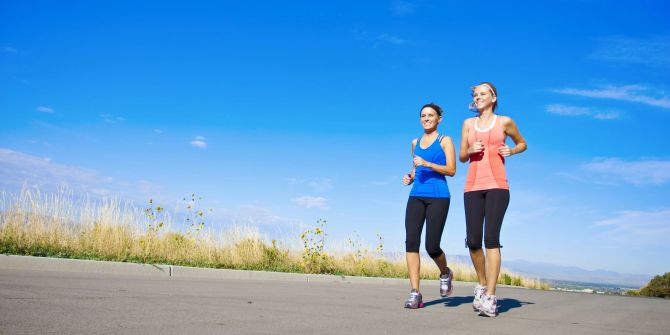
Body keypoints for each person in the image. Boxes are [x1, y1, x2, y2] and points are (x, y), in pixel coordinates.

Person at [459, 82, 527, 317]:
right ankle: (481, 284)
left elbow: (522, 143)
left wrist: (512, 151)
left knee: (491, 239)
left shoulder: (505, 122)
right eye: (475, 94)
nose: (478, 97)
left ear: (493, 97)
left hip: (498, 185)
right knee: (474, 241)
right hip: (472, 187)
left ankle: (490, 295)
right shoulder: (468, 124)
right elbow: (461, 157)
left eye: (482, 93)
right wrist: (470, 150)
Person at [402, 102, 456, 309]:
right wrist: (410, 176)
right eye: (423, 115)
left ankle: (445, 272)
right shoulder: (415, 142)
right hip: (416, 195)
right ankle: (415, 293)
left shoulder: (445, 141)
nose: (426, 118)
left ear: (439, 119)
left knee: (432, 246)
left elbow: (452, 170)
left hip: (439, 196)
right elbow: (417, 170)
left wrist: (428, 164)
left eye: (430, 115)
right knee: (411, 243)